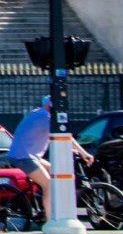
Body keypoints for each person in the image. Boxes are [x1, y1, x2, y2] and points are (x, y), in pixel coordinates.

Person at [9, 96, 93, 224]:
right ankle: (49, 221)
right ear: (51, 106)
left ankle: (42, 201)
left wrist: (69, 150)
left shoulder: (38, 113)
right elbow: (65, 136)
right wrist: (84, 153)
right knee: (49, 184)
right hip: (24, 157)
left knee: (55, 172)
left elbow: (54, 139)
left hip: (28, 155)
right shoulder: (45, 118)